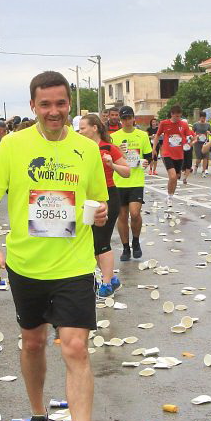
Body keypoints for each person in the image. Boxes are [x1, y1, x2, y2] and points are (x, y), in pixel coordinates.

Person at [0, 71, 109, 421]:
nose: (54, 111)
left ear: (70, 104)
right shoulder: (13, 147)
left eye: (61, 103)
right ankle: (38, 414)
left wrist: (100, 212)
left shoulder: (86, 150)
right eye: (45, 104)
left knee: (75, 348)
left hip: (72, 264)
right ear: (33, 106)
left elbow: (98, 203)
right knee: (33, 341)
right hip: (25, 266)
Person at [79, 113, 131, 297]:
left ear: (95, 128)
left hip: (108, 196)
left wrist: (111, 164)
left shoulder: (109, 147)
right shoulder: (80, 149)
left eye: (83, 127)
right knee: (92, 242)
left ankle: (107, 283)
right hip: (87, 198)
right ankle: (112, 278)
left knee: (102, 241)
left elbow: (127, 172)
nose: (80, 131)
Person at [112, 106, 152, 261]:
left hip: (136, 180)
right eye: (124, 119)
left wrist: (146, 162)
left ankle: (136, 241)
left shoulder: (142, 135)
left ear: (133, 118)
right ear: (120, 120)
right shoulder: (114, 137)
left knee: (135, 213)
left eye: (129, 118)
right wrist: (120, 153)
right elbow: (111, 158)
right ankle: (125, 247)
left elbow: (148, 156)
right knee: (122, 216)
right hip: (119, 181)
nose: (127, 121)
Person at [154, 106, 194, 206]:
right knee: (172, 176)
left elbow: (190, 137)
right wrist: (154, 148)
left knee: (176, 177)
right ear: (172, 114)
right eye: (176, 116)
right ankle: (169, 196)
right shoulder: (164, 123)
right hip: (167, 153)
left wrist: (190, 142)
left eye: (179, 116)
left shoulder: (184, 124)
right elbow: (157, 135)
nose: (178, 118)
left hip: (179, 155)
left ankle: (170, 196)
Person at [193, 111, 211, 177]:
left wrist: (209, 133)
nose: (203, 119)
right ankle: (196, 166)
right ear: (200, 117)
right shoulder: (195, 124)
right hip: (198, 143)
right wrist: (196, 136)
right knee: (198, 158)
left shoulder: (208, 125)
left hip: (205, 143)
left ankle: (203, 171)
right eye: (202, 118)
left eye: (204, 118)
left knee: (205, 158)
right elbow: (192, 133)